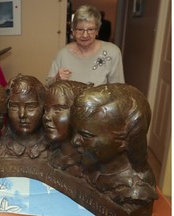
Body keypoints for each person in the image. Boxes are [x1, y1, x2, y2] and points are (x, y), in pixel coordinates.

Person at [70, 83, 158, 212]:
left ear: (124, 140)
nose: (74, 141)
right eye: (74, 131)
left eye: (85, 135)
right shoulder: (89, 168)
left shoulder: (135, 191)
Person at [46, 5, 124, 87]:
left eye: (90, 29)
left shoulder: (112, 52)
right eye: (80, 30)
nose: (85, 35)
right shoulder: (62, 54)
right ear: (73, 31)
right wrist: (56, 79)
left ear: (97, 31)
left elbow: (119, 90)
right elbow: (47, 86)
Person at [0, 74, 48, 159]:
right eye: (14, 106)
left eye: (30, 107)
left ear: (43, 108)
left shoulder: (55, 150)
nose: (22, 115)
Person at [43, 80, 91, 175]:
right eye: (46, 109)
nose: (47, 116)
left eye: (58, 109)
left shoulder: (87, 165)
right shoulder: (48, 154)